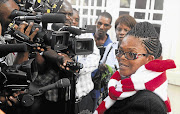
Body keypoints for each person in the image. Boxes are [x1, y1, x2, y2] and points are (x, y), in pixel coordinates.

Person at [94, 22, 175, 114]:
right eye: (120, 51)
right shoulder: (121, 86)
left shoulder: (147, 104)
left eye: (131, 54)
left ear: (149, 60)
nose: (121, 57)